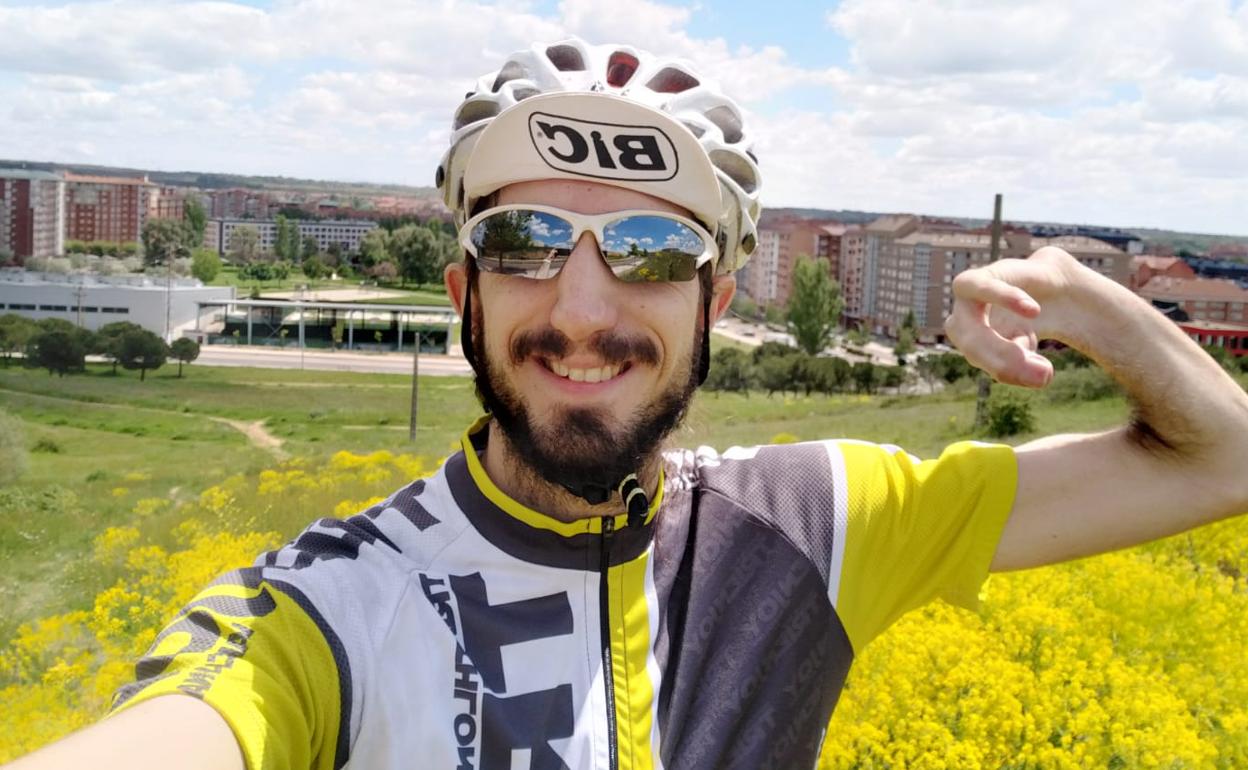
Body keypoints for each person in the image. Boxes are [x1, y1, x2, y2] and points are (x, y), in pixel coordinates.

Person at [9, 37, 1248, 770]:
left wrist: (1084, 298)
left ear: (714, 304)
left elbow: (1222, 458)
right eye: (527, 241)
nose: (585, 306)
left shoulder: (819, 523)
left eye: (653, 251)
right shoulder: (325, 605)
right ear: (465, 292)